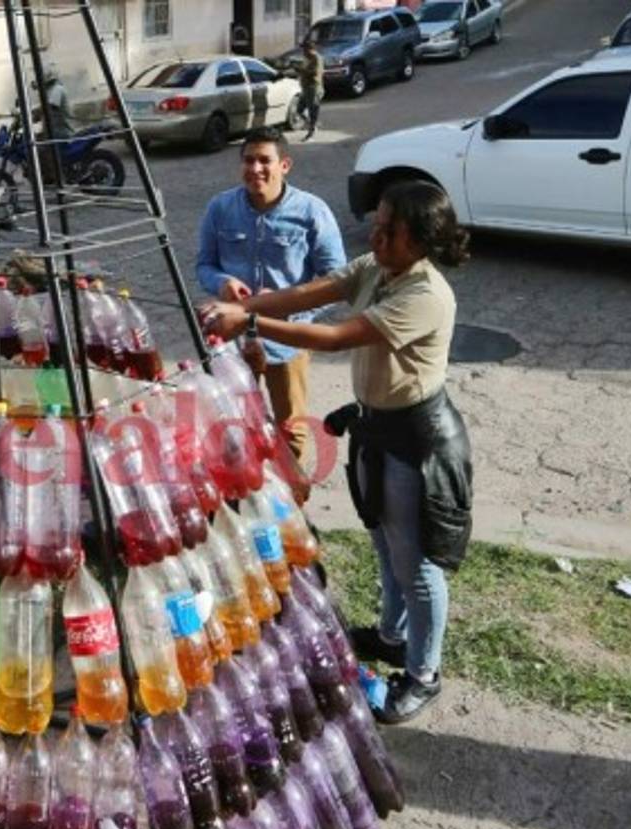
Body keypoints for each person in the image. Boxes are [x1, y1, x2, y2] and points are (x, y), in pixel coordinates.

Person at [200, 180, 474, 724]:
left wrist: (249, 321)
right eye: (376, 221)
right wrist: (245, 305)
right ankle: (394, 636)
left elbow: (337, 337)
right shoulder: (377, 267)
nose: (374, 233)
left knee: (417, 564)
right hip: (377, 428)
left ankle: (423, 676)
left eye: (388, 228)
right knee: (386, 544)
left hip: (417, 441)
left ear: (418, 240)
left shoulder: (424, 294)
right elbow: (314, 293)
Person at [195, 125, 345, 471]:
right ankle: (243, 495)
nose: (256, 169)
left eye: (265, 161)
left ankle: (293, 503)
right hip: (230, 341)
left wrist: (287, 303)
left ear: (285, 165)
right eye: (249, 160)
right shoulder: (220, 208)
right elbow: (204, 265)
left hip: (286, 341)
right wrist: (221, 283)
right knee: (230, 424)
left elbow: (336, 281)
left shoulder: (311, 212)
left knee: (290, 428)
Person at [296, 39, 324, 141]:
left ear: (309, 49)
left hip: (313, 88)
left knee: (313, 111)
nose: (302, 51)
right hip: (306, 88)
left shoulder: (317, 58)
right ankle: (312, 125)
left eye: (304, 49)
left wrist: (301, 70)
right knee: (299, 110)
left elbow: (315, 73)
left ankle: (311, 132)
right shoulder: (307, 58)